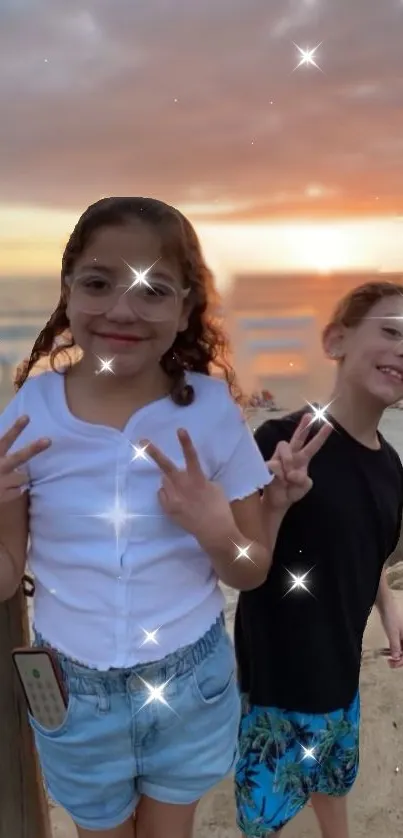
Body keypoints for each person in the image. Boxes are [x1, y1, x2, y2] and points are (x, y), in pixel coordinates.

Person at [0, 195, 282, 838]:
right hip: (73, 687)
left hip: (191, 680)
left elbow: (252, 570)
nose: (123, 310)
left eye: (153, 290)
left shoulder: (211, 412)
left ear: (186, 309)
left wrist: (215, 532)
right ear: (67, 291)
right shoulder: (30, 410)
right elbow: (6, 571)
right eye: (99, 283)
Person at [235, 280, 403, 838]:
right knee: (267, 813)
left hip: (341, 670)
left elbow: (366, 549)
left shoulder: (391, 465)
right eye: (390, 331)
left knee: (334, 774)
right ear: (336, 340)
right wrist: (275, 500)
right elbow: (241, 556)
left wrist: (388, 605)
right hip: (279, 680)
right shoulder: (283, 441)